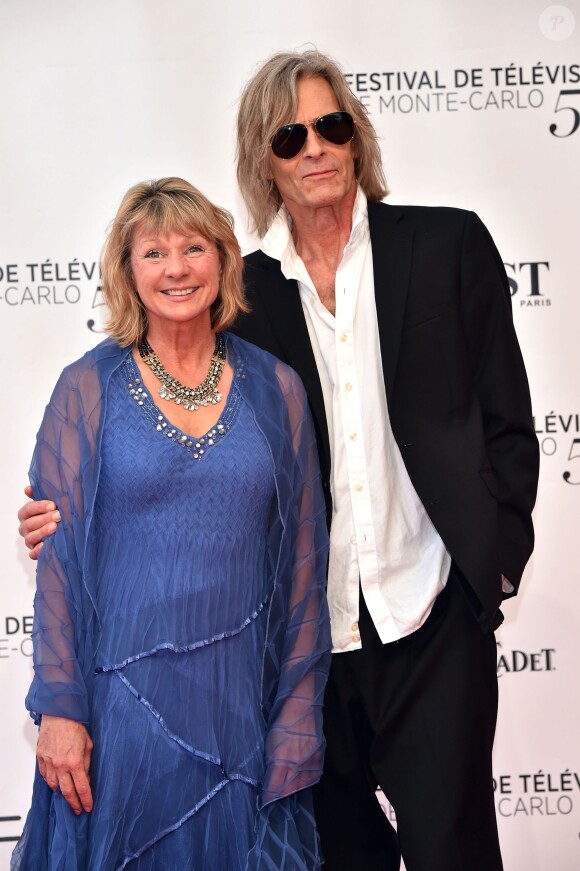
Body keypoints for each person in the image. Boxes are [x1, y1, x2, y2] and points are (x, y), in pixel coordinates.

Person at [19, 49, 540, 871]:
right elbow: (170, 462)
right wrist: (63, 516)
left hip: (430, 619)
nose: (314, 148)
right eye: (289, 137)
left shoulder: (446, 245)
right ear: (266, 163)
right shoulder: (247, 302)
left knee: (457, 852)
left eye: (330, 125)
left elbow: (509, 419)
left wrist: (496, 563)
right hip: (303, 656)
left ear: (356, 137)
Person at [13, 177, 331, 871]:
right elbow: (59, 566)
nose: (177, 267)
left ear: (223, 261)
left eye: (193, 247)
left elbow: (306, 560)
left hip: (239, 714)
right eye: (153, 252)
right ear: (128, 273)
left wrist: (298, 713)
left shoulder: (276, 388)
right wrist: (63, 708)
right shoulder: (86, 388)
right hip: (122, 717)